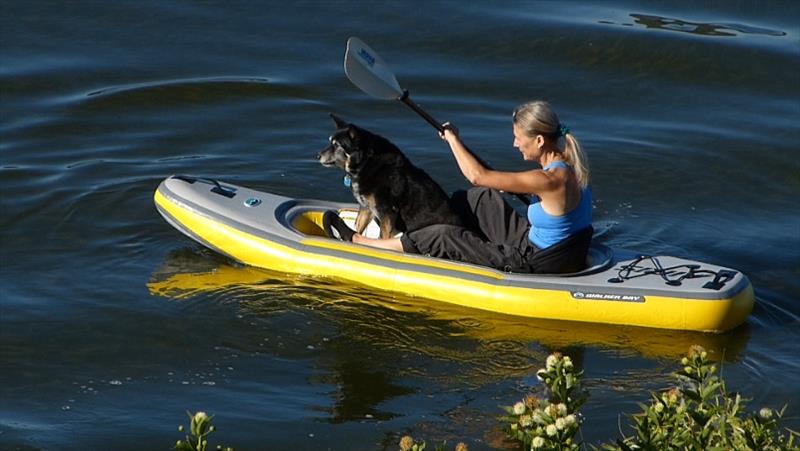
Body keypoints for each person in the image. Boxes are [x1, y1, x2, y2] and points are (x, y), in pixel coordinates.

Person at [323, 100, 593, 274]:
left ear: (539, 142)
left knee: (440, 234)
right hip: (551, 248)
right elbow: (484, 185)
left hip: (535, 261)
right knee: (480, 199)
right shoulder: (571, 167)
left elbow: (477, 175)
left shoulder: (546, 181)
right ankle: (472, 247)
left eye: (518, 138)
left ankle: (359, 241)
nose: (514, 144)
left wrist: (453, 140)